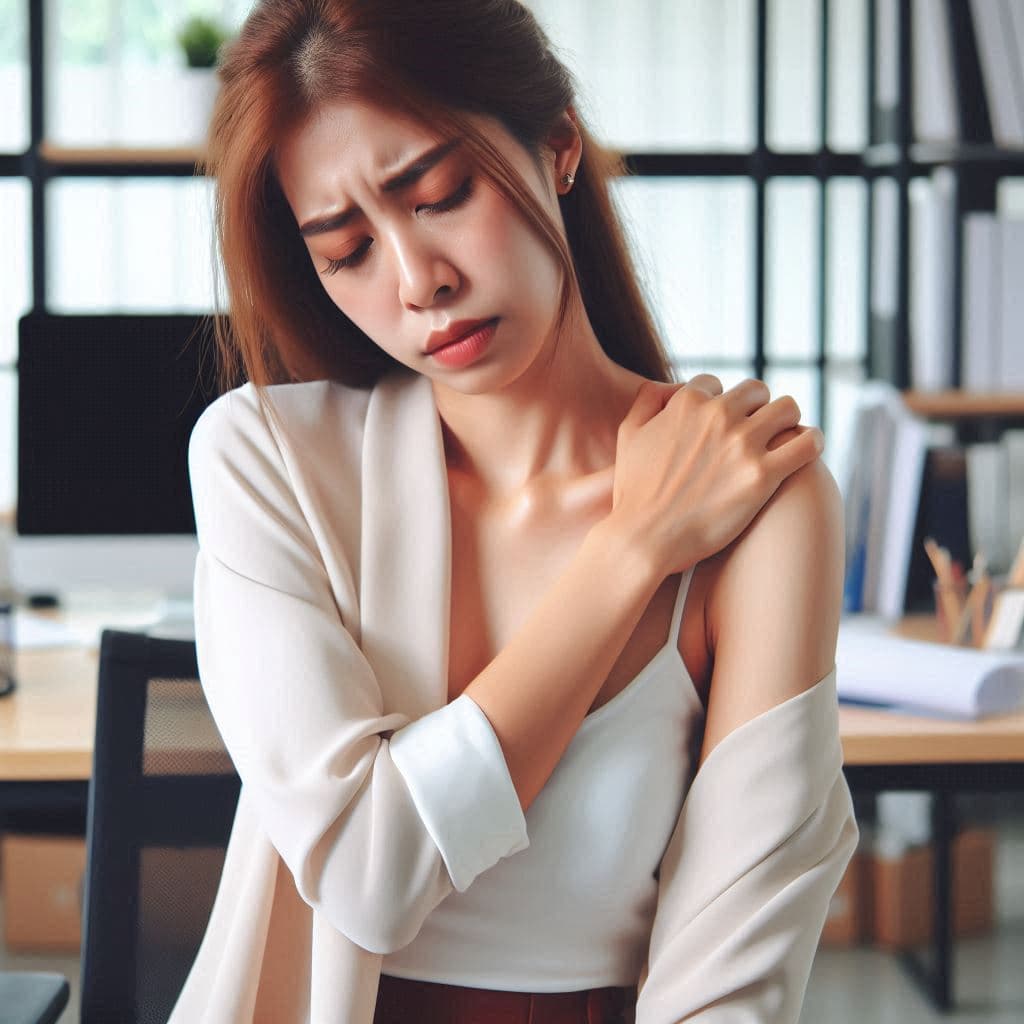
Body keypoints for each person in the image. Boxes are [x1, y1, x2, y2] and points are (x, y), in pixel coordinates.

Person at [170, 1, 859, 1022]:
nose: (419, 282)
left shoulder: (757, 498)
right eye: (346, 248)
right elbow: (369, 876)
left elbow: (731, 966)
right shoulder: (267, 458)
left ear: (558, 145)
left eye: (440, 195)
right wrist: (631, 551)